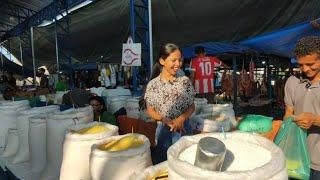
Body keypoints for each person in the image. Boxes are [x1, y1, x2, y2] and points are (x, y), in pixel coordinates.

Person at [144, 43, 195, 164]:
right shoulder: (153, 85)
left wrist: (182, 118)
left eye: (180, 60)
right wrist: (163, 119)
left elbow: (192, 106)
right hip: (163, 130)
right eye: (173, 60)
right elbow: (150, 110)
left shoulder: (184, 81)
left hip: (184, 128)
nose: (178, 64)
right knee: (163, 165)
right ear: (162, 60)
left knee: (185, 163)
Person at [284, 36, 320, 180]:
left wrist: (315, 120)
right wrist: (291, 120)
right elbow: (288, 113)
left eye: (310, 64)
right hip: (295, 158)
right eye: (300, 64)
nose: (305, 69)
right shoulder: (292, 82)